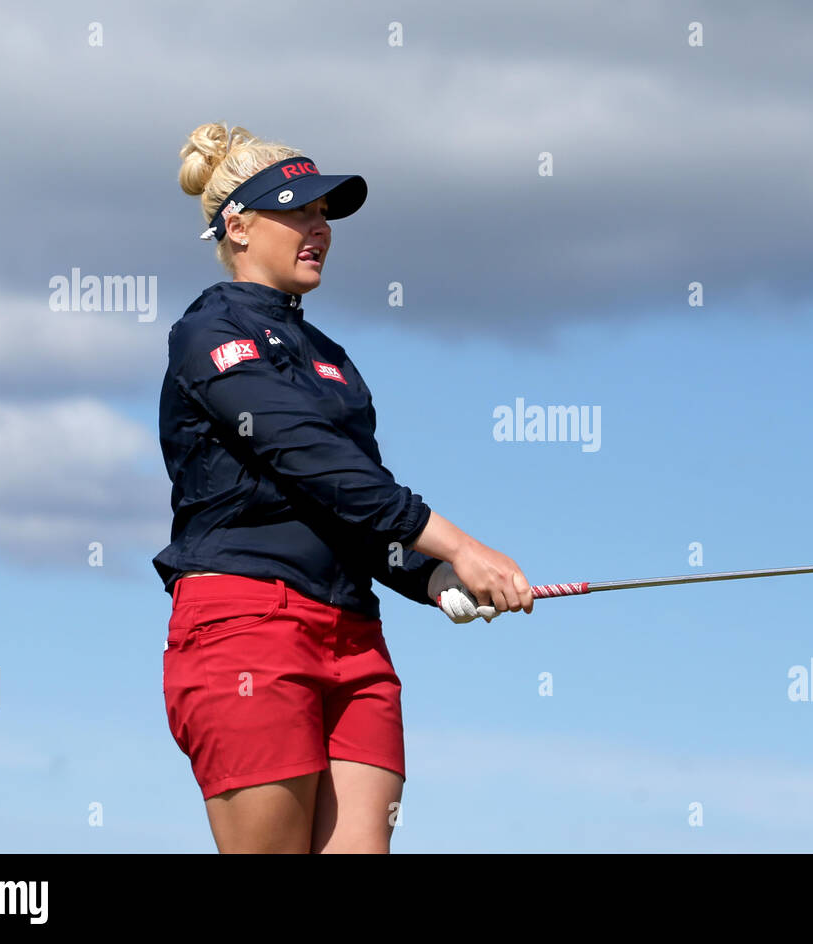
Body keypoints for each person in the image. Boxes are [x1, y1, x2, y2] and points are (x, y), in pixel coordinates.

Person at [154, 122, 534, 854]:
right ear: (236, 225)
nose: (318, 228)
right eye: (298, 211)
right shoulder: (207, 332)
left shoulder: (332, 358)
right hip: (246, 622)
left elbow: (356, 508)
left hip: (354, 638)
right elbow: (312, 459)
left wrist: (433, 577)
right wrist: (464, 545)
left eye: (324, 215)